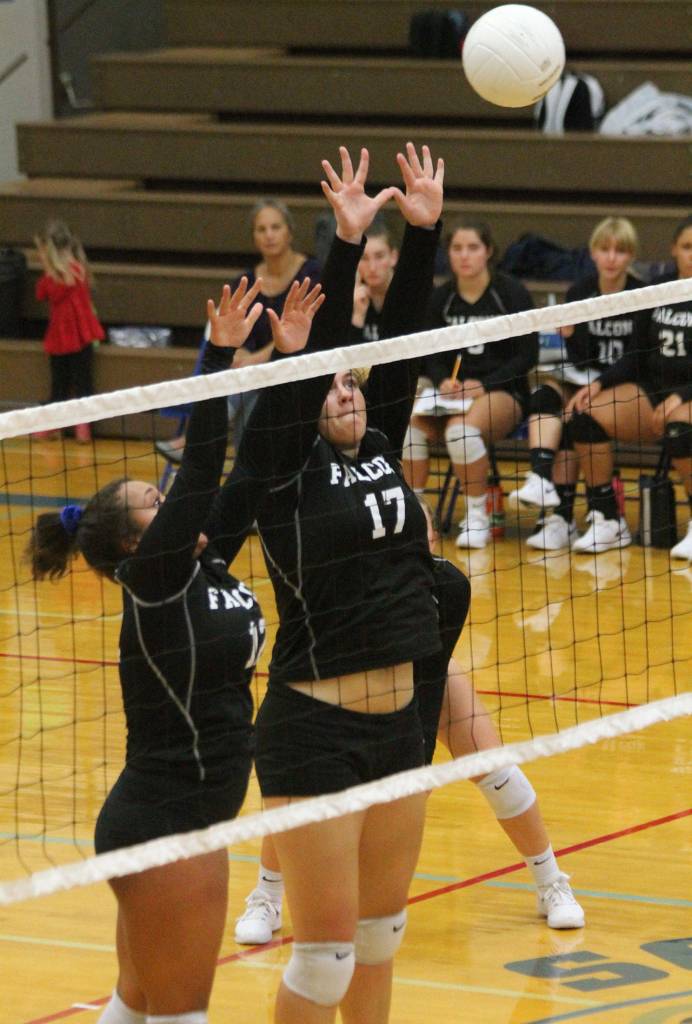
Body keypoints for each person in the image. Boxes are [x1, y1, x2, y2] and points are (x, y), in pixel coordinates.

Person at [26, 276, 324, 1024]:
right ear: (136, 543)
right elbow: (201, 467)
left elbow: (254, 467)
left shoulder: (202, 558)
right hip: (165, 821)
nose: (171, 503)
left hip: (181, 815)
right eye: (154, 506)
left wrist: (292, 362)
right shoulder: (153, 580)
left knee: (136, 1003)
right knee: (181, 1012)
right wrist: (215, 357)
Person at [221, 142, 444, 1024]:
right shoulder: (284, 470)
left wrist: (421, 234)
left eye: (354, 383)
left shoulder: (380, 436)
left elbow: (406, 344)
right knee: (325, 962)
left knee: (381, 942)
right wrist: (346, 245)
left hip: (400, 729)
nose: (348, 392)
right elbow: (318, 358)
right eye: (332, 385)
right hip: (314, 731)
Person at [234, 501, 584, 947]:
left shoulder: (448, 587)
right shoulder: (348, 585)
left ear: (433, 540)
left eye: (423, 532)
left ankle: (552, 883)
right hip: (342, 682)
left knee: (493, 765)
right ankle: (265, 897)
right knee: (301, 786)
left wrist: (415, 762)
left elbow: (429, 678)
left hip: (422, 675)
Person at [508, 217, 645, 551]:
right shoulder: (580, 292)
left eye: (620, 251)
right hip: (584, 379)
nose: (611, 257)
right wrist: (570, 336)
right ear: (592, 252)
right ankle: (544, 485)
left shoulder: (642, 293)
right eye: (604, 249)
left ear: (631, 256)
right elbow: (580, 360)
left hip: (625, 384)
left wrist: (599, 385)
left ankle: (587, 515)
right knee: (544, 396)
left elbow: (638, 358)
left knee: (580, 415)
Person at [402, 218, 538, 549]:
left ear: (488, 251)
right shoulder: (441, 298)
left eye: (473, 247)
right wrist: (442, 380)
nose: (464, 255)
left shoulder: (511, 293)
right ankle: (413, 516)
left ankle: (477, 517)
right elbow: (430, 354)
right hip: (450, 395)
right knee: (409, 429)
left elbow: (526, 356)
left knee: (460, 431)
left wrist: (484, 385)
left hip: (501, 392)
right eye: (457, 248)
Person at [156, 199, 320, 464]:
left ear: (290, 232)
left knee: (249, 398)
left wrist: (253, 360)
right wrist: (241, 355)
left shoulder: (311, 273)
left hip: (299, 367)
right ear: (254, 237)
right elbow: (237, 335)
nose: (269, 235)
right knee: (245, 397)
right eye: (261, 229)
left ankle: (194, 441)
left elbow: (301, 331)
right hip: (255, 377)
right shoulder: (246, 281)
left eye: (275, 227)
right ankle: (222, 460)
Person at [568, 215, 692, 555]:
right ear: (673, 249)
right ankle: (608, 520)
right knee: (585, 414)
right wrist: (600, 383)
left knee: (681, 427)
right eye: (687, 247)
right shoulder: (658, 290)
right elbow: (636, 353)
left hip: (687, 395)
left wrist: (681, 396)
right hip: (653, 391)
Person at [33, 219, 104, 443]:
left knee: (60, 383)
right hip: (82, 336)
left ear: (49, 252)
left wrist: (48, 269)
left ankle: (58, 424)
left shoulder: (53, 279)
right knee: (81, 382)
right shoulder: (79, 270)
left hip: (64, 337)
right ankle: (81, 427)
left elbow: (41, 293)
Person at [348, 217, 399, 343]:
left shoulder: (410, 293)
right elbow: (346, 353)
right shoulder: (349, 296)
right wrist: (357, 315)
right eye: (364, 258)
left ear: (393, 257)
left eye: (379, 256)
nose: (372, 267)